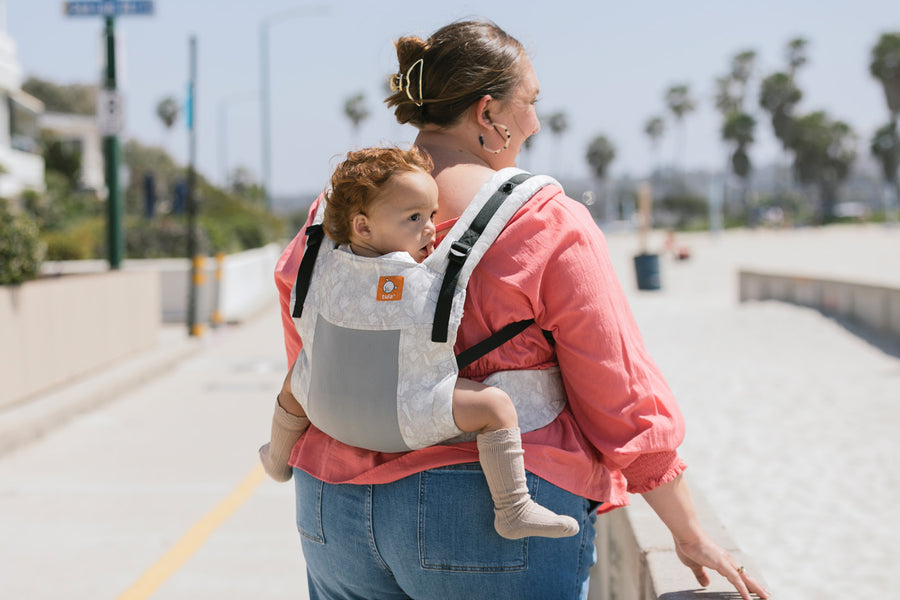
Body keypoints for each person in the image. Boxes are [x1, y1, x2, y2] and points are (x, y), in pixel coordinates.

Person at [272, 19, 770, 600]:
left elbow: (310, 338)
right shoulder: (543, 222)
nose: (533, 122)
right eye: (529, 103)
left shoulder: (334, 211)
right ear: (488, 113)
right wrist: (687, 532)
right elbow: (619, 394)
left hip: (333, 510)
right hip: (487, 511)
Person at [259, 145, 579, 540]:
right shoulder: (419, 274)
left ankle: (277, 457)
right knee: (495, 406)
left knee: (296, 379)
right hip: (409, 413)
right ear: (363, 226)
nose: (431, 228)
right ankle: (513, 508)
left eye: (431, 214)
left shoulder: (325, 262)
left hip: (329, 411)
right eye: (414, 218)